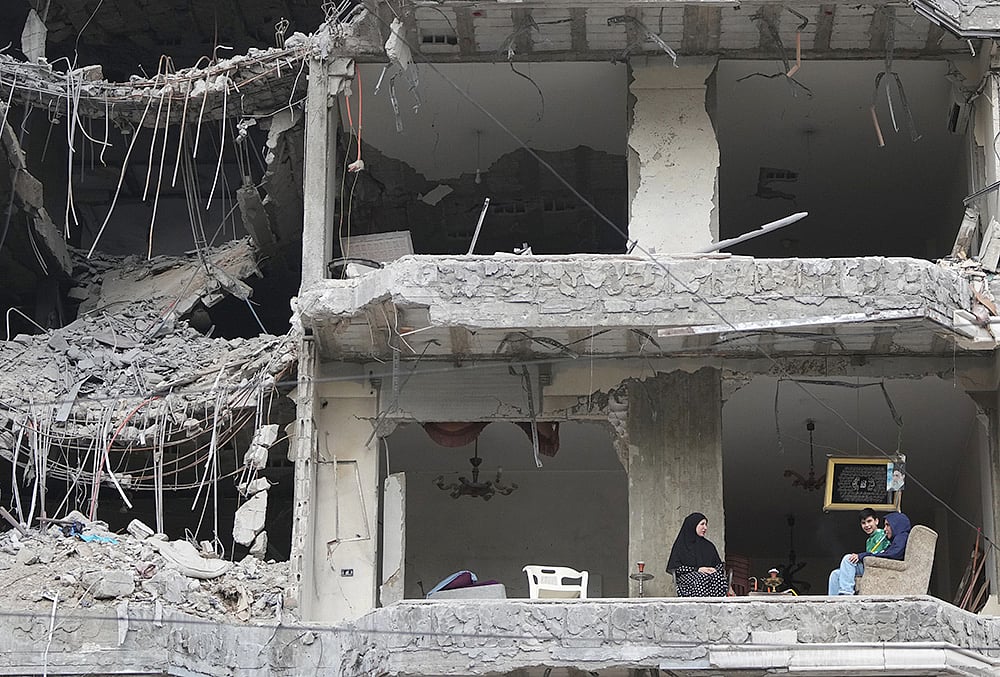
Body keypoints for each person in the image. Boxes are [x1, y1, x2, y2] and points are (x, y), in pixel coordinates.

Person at [828, 510, 910, 595]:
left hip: (878, 567)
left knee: (848, 559)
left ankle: (846, 594)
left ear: (876, 521)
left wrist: (862, 555)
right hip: (871, 565)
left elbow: (887, 555)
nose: (867, 525)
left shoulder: (891, 536)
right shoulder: (872, 540)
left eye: (869, 521)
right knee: (835, 574)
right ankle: (833, 602)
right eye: (863, 523)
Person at [666, 512, 728, 597]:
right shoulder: (681, 545)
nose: (705, 528)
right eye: (702, 524)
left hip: (708, 576)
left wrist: (712, 569)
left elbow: (718, 564)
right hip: (688, 577)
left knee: (719, 578)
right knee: (701, 578)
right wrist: (697, 569)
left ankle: (716, 607)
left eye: (706, 524)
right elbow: (675, 567)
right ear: (693, 525)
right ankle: (701, 607)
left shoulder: (708, 545)